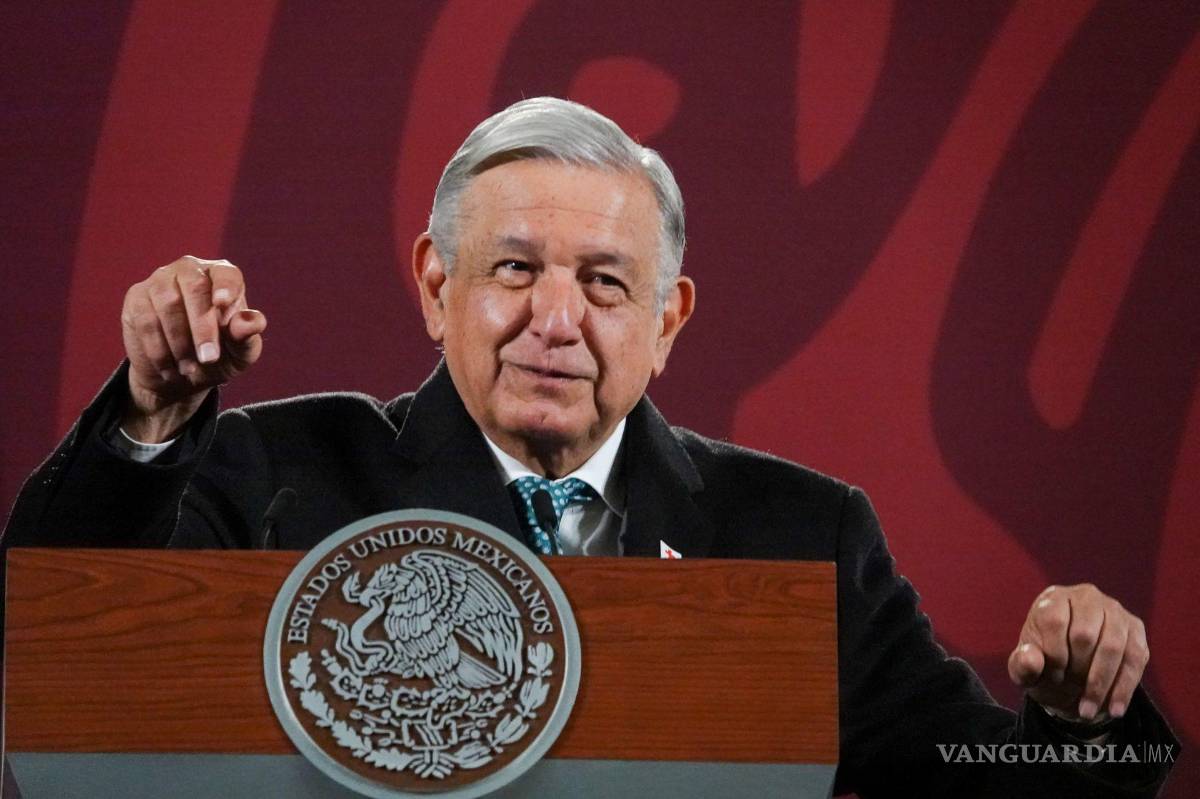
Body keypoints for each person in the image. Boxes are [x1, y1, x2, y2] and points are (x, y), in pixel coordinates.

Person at [3, 97, 1178, 796]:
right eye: (515, 268)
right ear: (435, 285)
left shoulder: (800, 536)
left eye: (605, 282)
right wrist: (152, 418)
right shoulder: (274, 476)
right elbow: (47, 662)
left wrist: (1081, 724)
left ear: (667, 321)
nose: (555, 320)